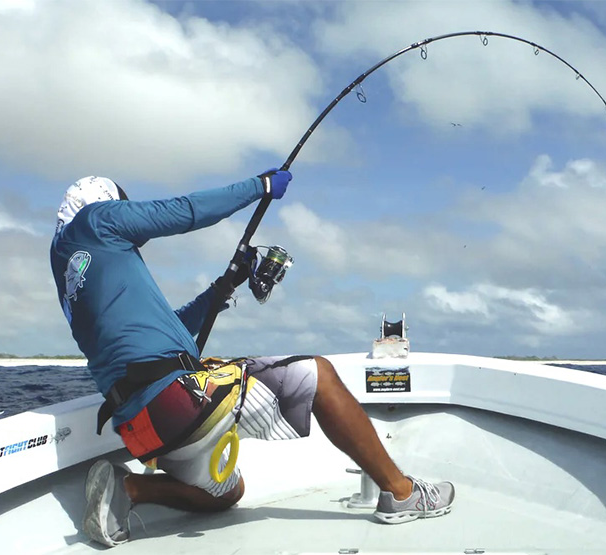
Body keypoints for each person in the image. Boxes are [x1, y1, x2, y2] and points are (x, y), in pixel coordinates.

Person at [50, 171, 454, 547]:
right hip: (176, 403)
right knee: (319, 375)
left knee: (227, 493)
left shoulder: (72, 271)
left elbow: (171, 331)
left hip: (140, 429)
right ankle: (401, 492)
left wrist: (221, 289)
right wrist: (259, 185)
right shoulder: (95, 220)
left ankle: (130, 488)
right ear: (103, 202)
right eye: (121, 206)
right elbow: (184, 211)